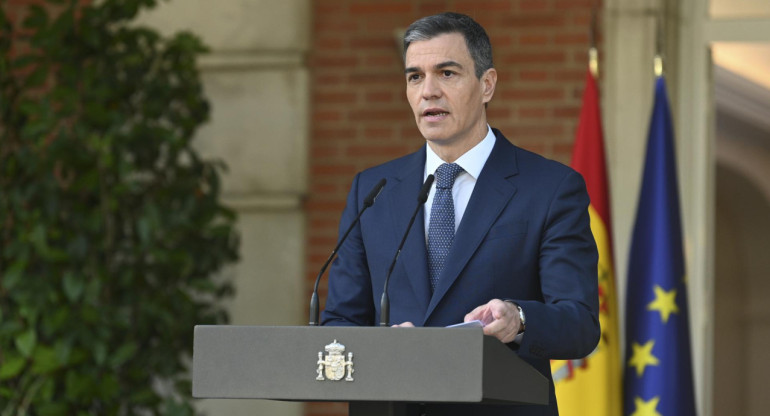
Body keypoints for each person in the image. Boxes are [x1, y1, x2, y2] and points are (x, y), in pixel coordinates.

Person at [321, 12, 599, 415]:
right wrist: (378, 346)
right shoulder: (373, 190)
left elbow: (579, 324)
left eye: (447, 73)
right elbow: (339, 322)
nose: (428, 91)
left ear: (487, 85)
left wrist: (518, 319)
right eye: (415, 76)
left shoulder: (551, 189)